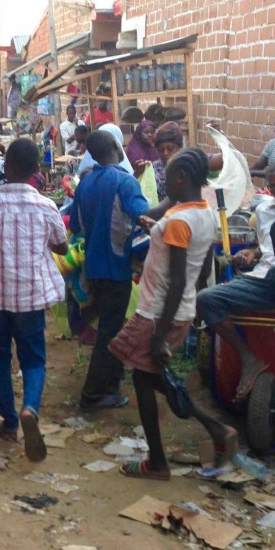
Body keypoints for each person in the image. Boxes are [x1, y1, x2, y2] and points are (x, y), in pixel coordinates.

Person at [110, 149, 236, 479]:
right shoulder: (202, 212)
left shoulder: (179, 222)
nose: (165, 184)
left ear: (180, 179)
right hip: (176, 310)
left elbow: (178, 280)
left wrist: (158, 334)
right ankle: (213, 432)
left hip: (158, 314)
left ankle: (159, 461)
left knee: (145, 378)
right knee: (151, 377)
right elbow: (203, 265)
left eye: (169, 177)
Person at [0, 138, 68, 461]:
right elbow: (60, 246)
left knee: (1, 357)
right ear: (36, 170)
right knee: (34, 359)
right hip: (32, 297)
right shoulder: (47, 206)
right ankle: (30, 408)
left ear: (5, 168)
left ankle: (8, 422)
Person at [197, 160, 275, 397]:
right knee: (205, 299)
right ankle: (249, 361)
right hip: (268, 278)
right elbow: (266, 247)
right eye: (274, 185)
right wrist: (252, 252)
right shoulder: (263, 211)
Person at [69, 130, 155, 409]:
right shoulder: (124, 181)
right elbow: (145, 217)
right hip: (116, 266)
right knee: (110, 330)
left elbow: (77, 227)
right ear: (118, 148)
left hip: (92, 267)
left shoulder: (84, 183)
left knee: (110, 326)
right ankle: (93, 394)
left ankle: (111, 383)